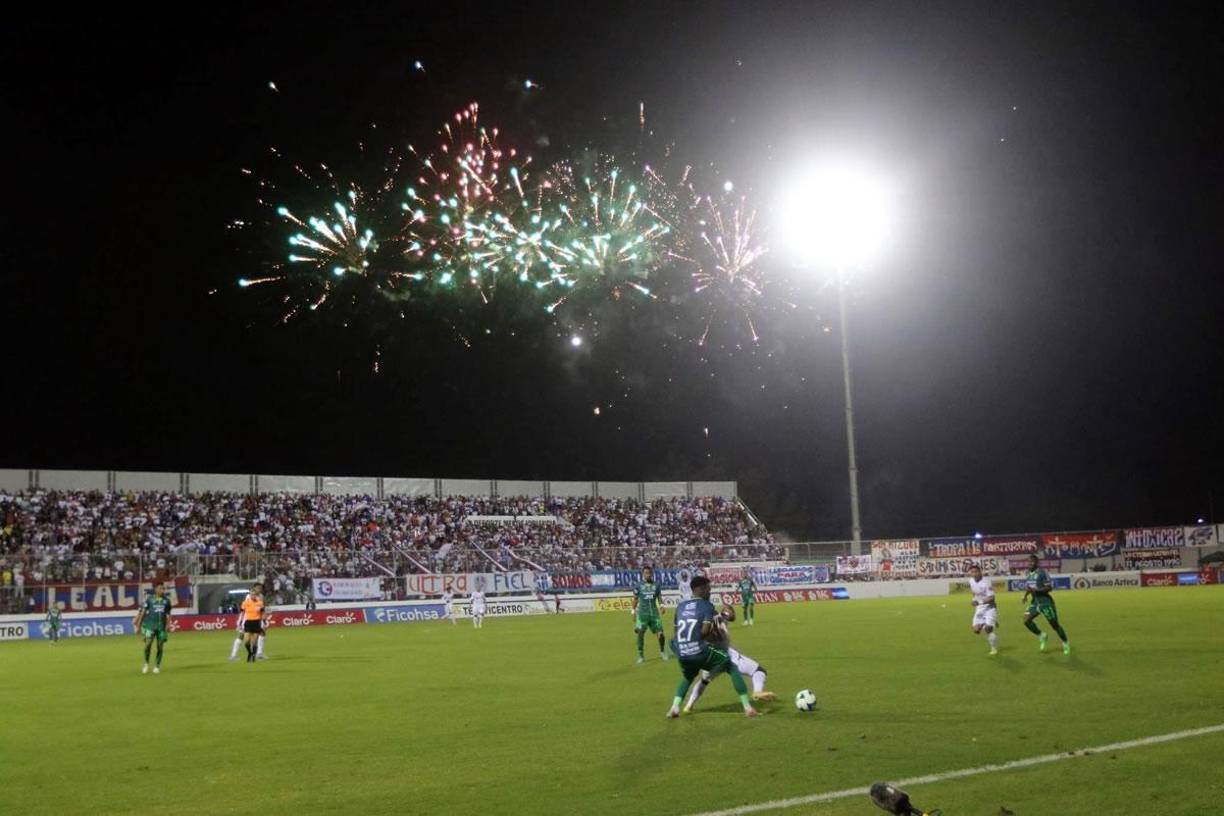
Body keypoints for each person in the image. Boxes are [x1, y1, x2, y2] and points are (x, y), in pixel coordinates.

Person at [667, 576, 758, 719]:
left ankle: (674, 707)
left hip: (683, 652)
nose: (710, 592)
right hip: (699, 651)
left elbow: (675, 633)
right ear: (702, 589)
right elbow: (704, 631)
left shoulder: (680, 607)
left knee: (688, 676)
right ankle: (747, 708)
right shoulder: (706, 606)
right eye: (709, 589)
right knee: (729, 665)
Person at [683, 605, 775, 712]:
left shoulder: (699, 622)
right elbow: (731, 617)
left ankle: (688, 706)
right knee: (759, 670)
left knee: (704, 681)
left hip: (711, 657)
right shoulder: (719, 616)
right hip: (728, 656)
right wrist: (727, 610)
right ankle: (757, 691)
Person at [1021, 554, 1070, 654]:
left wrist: (1036, 590)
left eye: (1032, 561)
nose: (1030, 563)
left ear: (1036, 563)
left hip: (1045, 602)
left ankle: (1065, 643)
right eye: (1028, 561)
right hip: (1035, 602)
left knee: (1054, 624)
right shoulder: (1027, 573)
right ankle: (1042, 635)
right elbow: (1029, 587)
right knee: (1026, 620)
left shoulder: (1042, 573)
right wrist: (1025, 595)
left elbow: (1049, 588)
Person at [132, 583, 173, 674]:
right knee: (148, 645)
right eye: (160, 588)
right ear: (156, 590)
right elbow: (143, 613)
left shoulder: (167, 601)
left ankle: (157, 666)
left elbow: (169, 614)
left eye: (163, 589)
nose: (162, 590)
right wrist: (138, 625)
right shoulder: (150, 600)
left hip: (161, 626)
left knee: (160, 646)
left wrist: (168, 624)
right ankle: (146, 664)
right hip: (150, 626)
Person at [632, 567, 667, 664]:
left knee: (661, 634)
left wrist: (662, 605)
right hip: (642, 614)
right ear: (643, 574)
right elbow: (635, 599)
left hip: (654, 614)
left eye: (649, 573)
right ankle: (641, 656)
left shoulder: (656, 585)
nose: (648, 574)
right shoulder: (638, 585)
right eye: (646, 573)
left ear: (651, 574)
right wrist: (633, 611)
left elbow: (659, 597)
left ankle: (662, 651)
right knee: (640, 633)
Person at [967, 564, 999, 655]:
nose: (974, 574)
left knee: (988, 629)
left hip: (989, 607)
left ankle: (994, 649)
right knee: (976, 630)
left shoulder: (986, 582)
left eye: (976, 572)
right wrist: (974, 600)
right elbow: (974, 593)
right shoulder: (971, 581)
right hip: (980, 608)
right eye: (972, 572)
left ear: (980, 572)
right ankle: (989, 621)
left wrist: (979, 602)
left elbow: (992, 598)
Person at [239, 583, 266, 663]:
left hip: (256, 623)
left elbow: (263, 613)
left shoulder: (260, 603)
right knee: (246, 641)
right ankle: (250, 653)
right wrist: (240, 621)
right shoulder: (245, 603)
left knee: (254, 642)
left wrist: (264, 622)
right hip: (248, 623)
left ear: (256, 595)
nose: (253, 596)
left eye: (254, 594)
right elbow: (243, 613)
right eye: (251, 594)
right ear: (249, 594)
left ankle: (253, 656)